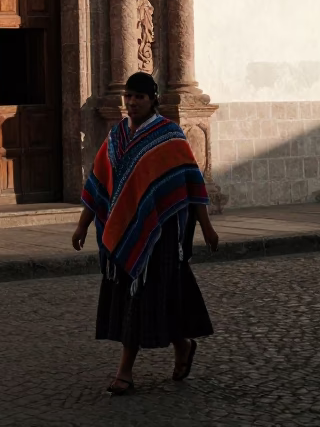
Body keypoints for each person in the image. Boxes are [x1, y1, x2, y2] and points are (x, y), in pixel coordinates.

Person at [72, 72, 219, 396]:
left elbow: (192, 183)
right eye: (128, 96)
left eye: (139, 96)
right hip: (124, 232)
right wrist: (83, 225)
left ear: (153, 99)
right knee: (148, 299)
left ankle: (124, 372)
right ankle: (182, 345)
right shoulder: (116, 137)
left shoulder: (169, 136)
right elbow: (98, 184)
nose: (132, 102)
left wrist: (207, 228)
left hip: (160, 233)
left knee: (144, 297)